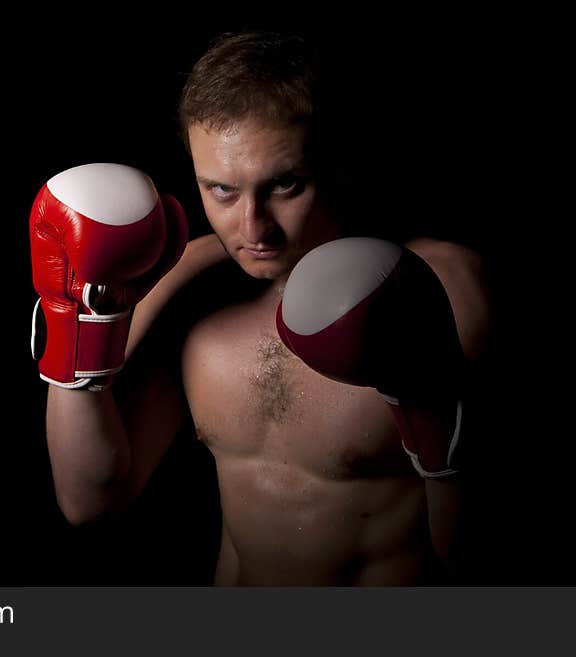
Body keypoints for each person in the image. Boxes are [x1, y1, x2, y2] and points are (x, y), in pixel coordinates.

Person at [29, 32, 492, 585]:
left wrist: (436, 417)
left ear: (337, 161)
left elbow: (480, 566)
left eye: (285, 185)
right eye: (221, 190)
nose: (253, 228)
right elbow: (90, 503)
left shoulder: (440, 286)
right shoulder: (184, 285)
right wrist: (77, 322)